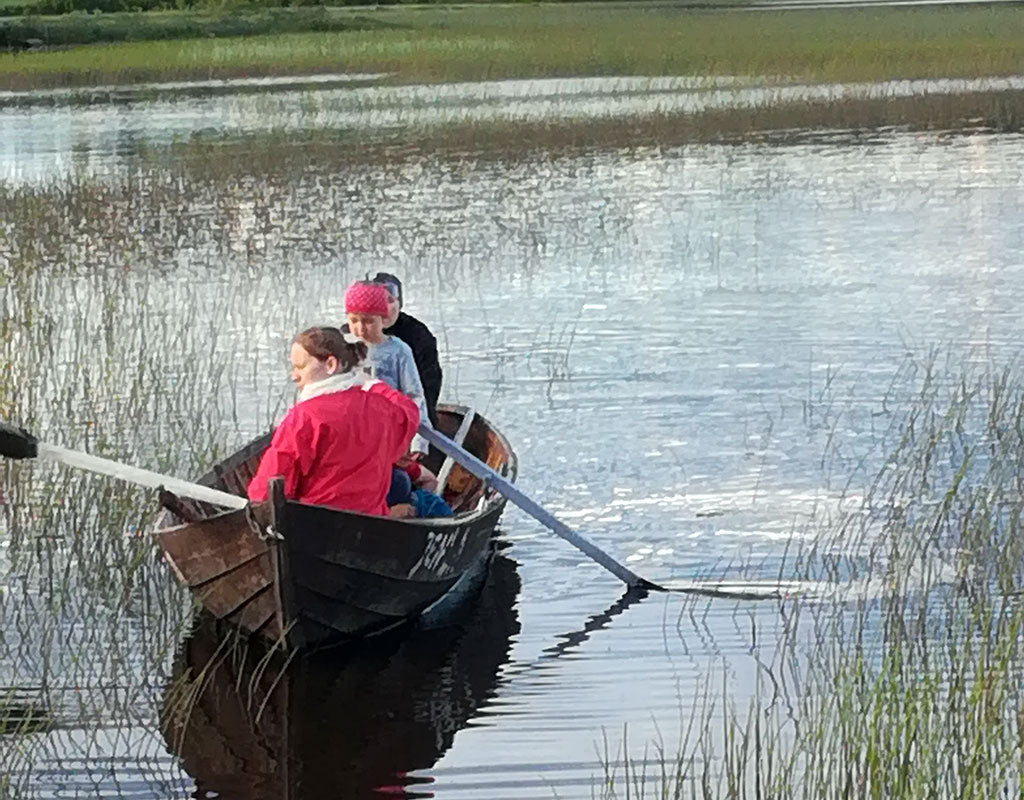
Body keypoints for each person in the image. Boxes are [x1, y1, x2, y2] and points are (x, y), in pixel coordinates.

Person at [247, 326, 419, 516]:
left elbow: (266, 492)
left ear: (330, 364)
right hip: (373, 522)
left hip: (316, 526)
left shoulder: (303, 418)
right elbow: (409, 411)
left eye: (300, 367)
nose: (294, 376)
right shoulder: (381, 408)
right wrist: (373, 385)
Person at [344, 280, 431, 456]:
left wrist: (418, 441)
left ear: (383, 319)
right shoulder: (345, 348)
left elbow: (414, 396)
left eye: (368, 321)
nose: (360, 329)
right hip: (355, 432)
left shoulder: (398, 351)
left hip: (390, 432)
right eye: (354, 321)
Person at [370, 272, 443, 428]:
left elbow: (429, 386)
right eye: (379, 302)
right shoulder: (354, 334)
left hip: (409, 417)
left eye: (390, 301)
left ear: (400, 303)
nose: (384, 309)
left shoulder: (418, 335)